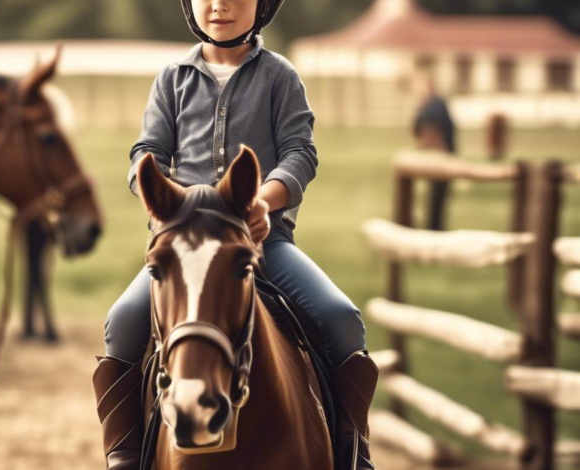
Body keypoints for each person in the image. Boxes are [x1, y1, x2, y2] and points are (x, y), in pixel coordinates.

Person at [92, 1, 378, 469]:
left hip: (266, 245)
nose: (219, 4)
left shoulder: (280, 76)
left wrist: (262, 200)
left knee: (340, 317)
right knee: (123, 322)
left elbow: (299, 153)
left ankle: (350, 453)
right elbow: (147, 151)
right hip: (186, 249)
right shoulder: (171, 78)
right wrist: (166, 199)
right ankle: (123, 456)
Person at [412, 72, 457, 231]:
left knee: (437, 197)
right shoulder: (430, 104)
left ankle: (434, 229)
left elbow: (429, 133)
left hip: (439, 156)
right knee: (434, 198)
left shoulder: (434, 105)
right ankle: (432, 228)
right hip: (439, 156)